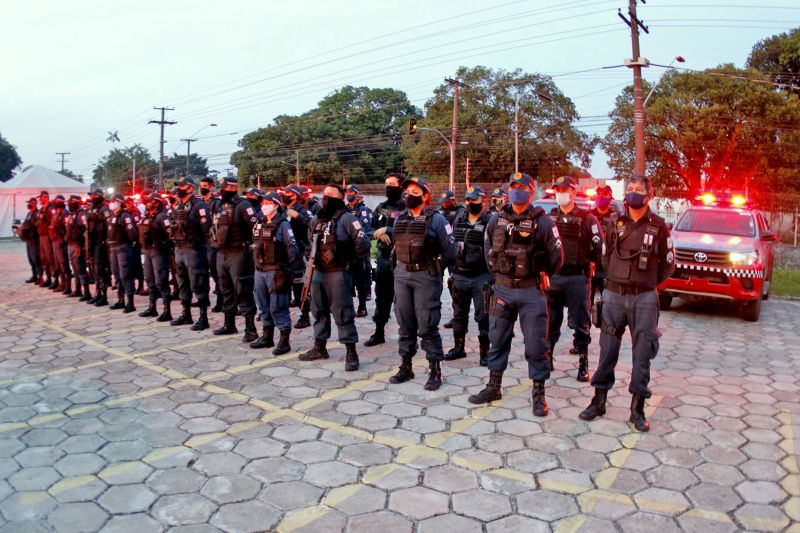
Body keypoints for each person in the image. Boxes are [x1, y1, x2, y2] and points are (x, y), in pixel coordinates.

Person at [579, 175, 675, 432]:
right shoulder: (614, 223)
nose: (633, 193)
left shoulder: (659, 226)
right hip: (613, 295)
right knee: (607, 348)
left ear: (649, 195)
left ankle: (637, 408)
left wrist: (647, 284)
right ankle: (598, 401)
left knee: (642, 352)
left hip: (644, 297)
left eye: (639, 190)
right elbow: (605, 256)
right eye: (630, 189)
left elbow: (668, 264)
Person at [468, 172, 563, 417]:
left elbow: (556, 258)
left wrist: (538, 277)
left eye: (521, 187)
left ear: (531, 192)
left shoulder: (544, 222)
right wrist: (500, 275)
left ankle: (539, 393)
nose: (516, 190)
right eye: (512, 186)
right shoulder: (496, 219)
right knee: (497, 338)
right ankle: (494, 386)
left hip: (531, 291)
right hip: (502, 288)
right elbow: (488, 248)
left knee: (536, 344)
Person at [389, 177, 458, 390]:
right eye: (407, 191)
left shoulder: (437, 220)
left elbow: (451, 251)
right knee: (405, 323)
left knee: (427, 323)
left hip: (426, 276)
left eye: (415, 191)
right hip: (402, 274)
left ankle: (435, 369)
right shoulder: (399, 218)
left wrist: (436, 268)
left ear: (426, 196)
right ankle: (406, 366)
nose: (409, 194)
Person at [298, 183, 371, 371]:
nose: (325, 197)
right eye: (324, 194)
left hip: (338, 273)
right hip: (318, 273)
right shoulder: (316, 219)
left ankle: (351, 352)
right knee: (318, 310)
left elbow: (363, 242)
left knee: (343, 312)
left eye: (330, 195)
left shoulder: (347, 218)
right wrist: (310, 258)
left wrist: (349, 260)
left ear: (339, 198)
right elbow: (309, 243)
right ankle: (319, 347)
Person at [546, 176, 604, 382]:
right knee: (551, 320)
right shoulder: (549, 217)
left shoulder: (588, 219)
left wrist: (597, 278)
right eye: (557, 190)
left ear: (572, 192)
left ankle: (583, 363)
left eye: (564, 189)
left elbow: (599, 249)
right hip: (555, 278)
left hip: (578, 278)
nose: (560, 193)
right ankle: (548, 357)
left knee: (581, 322)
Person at [445, 186, 492, 366]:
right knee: (459, 315)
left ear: (483, 201)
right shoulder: (459, 218)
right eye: (468, 200)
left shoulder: (490, 222)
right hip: (460, 275)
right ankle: (459, 348)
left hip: (481, 277)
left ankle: (484, 352)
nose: (470, 203)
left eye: (474, 200)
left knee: (483, 317)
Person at [250, 192, 299, 354]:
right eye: (262, 202)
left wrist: (289, 271)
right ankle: (267, 337)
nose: (264, 205)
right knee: (263, 306)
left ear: (276, 205)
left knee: (278, 306)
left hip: (276, 271)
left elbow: (292, 249)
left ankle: (284, 341)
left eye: (268, 202)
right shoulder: (259, 222)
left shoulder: (283, 225)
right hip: (260, 271)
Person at [212, 180, 259, 342]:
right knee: (225, 289)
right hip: (222, 253)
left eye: (225, 188)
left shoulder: (243, 205)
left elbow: (256, 226)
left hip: (239, 253)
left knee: (242, 289)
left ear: (233, 188)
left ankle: (250, 328)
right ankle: (229, 324)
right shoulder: (220, 206)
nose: (222, 192)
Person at [364, 174, 405, 346]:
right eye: (386, 183)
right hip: (383, 260)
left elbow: (409, 226)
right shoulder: (380, 207)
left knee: (404, 300)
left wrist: (388, 228)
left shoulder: (407, 207)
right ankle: (379, 332)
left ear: (400, 186)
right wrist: (378, 234)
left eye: (392, 184)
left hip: (402, 260)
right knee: (382, 298)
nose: (388, 186)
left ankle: (407, 335)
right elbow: (368, 228)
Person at [168, 177, 212, 330]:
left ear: (190, 188)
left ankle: (203, 317)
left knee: (198, 282)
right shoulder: (179, 205)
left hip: (193, 250)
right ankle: (186, 314)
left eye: (181, 186)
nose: (178, 189)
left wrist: (198, 242)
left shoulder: (199, 205)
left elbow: (207, 228)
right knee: (182, 282)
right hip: (179, 248)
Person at [137, 193, 172, 320]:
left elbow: (170, 233)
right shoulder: (148, 216)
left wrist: (166, 247)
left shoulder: (162, 216)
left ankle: (167, 310)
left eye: (150, 201)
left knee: (161, 281)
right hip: (147, 251)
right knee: (150, 280)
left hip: (158, 252)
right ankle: (152, 308)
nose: (147, 203)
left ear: (156, 202)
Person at [283, 184, 313, 329]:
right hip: (284, 253)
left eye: (287, 193)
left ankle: (305, 315)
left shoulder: (303, 210)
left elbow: (313, 224)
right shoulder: (283, 210)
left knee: (299, 285)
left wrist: (298, 216)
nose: (284, 195)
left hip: (299, 252)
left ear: (294, 195)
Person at [106, 193, 139, 313]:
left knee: (126, 275)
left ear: (119, 202)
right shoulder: (112, 215)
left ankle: (130, 303)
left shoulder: (124, 215)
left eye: (113, 201)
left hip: (122, 247)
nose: (111, 203)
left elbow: (132, 232)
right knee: (117, 275)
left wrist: (130, 243)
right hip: (113, 247)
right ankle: (121, 300)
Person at [345, 184, 373, 317]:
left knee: (362, 275)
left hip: (360, 246)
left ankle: (363, 304)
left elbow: (366, 228)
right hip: (347, 248)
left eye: (351, 192)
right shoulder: (344, 210)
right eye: (347, 192)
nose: (348, 194)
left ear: (356, 194)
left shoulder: (363, 210)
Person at [591, 184, 620, 302]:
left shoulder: (617, 219)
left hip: (608, 267)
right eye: (599, 194)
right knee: (586, 303)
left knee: (608, 304)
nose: (601, 196)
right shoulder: (588, 216)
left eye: (604, 194)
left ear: (610, 197)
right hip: (590, 265)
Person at [199, 176, 223, 312]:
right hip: (200, 241)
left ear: (211, 187)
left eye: (205, 186)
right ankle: (204, 298)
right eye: (201, 185)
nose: (202, 188)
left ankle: (220, 300)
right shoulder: (198, 202)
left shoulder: (216, 203)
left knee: (215, 272)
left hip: (212, 242)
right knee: (201, 272)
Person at [86, 189, 112, 306]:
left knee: (100, 270)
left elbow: (109, 226)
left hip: (100, 244)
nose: (92, 197)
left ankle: (104, 296)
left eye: (94, 195)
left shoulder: (104, 209)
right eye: (91, 195)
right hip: (93, 242)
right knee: (94, 270)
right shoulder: (92, 209)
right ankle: (97, 294)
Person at [65, 195, 90, 300]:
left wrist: (83, 245)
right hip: (71, 244)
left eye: (70, 202)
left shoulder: (81, 213)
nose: (69, 204)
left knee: (80, 267)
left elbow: (86, 229)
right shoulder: (72, 214)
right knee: (74, 268)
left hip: (77, 245)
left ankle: (86, 291)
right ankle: (78, 289)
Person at [49, 195, 72, 294]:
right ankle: (62, 283)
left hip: (61, 240)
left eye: (57, 201)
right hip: (55, 240)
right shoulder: (56, 212)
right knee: (58, 263)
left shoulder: (65, 213)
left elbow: (66, 228)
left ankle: (67, 285)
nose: (55, 202)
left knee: (63, 263)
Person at [19, 197, 42, 284]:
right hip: (28, 239)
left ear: (34, 203)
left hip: (34, 239)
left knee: (36, 258)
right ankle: (34, 275)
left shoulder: (37, 213)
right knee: (30, 259)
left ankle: (40, 276)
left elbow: (36, 225)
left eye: (30, 202)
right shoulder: (29, 213)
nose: (28, 204)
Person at [37, 191, 56, 288]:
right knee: (44, 259)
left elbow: (52, 221)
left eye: (41, 197)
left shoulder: (50, 207)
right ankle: (48, 278)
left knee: (51, 258)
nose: (39, 199)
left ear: (46, 197)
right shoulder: (41, 209)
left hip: (47, 236)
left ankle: (56, 279)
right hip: (41, 235)